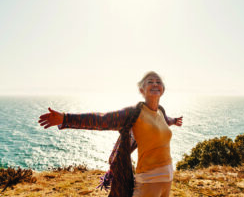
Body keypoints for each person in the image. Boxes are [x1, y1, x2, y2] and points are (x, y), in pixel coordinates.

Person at [38, 71, 183, 197]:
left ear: (163, 89)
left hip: (167, 177)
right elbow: (102, 119)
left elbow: (164, 120)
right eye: (150, 81)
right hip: (149, 179)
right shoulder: (135, 113)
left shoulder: (160, 112)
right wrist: (66, 118)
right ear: (141, 90)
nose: (155, 84)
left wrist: (174, 120)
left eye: (158, 82)